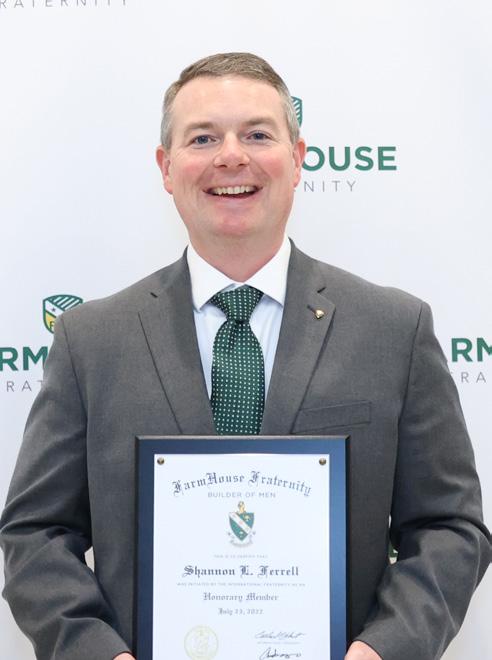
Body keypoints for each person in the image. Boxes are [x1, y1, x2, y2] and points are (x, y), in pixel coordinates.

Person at [1, 52, 490, 660]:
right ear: (166, 167)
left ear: (298, 158)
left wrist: (381, 650)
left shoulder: (394, 329)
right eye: (203, 138)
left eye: (257, 134)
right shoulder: (91, 340)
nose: (231, 156)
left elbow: (449, 527)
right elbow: (35, 534)